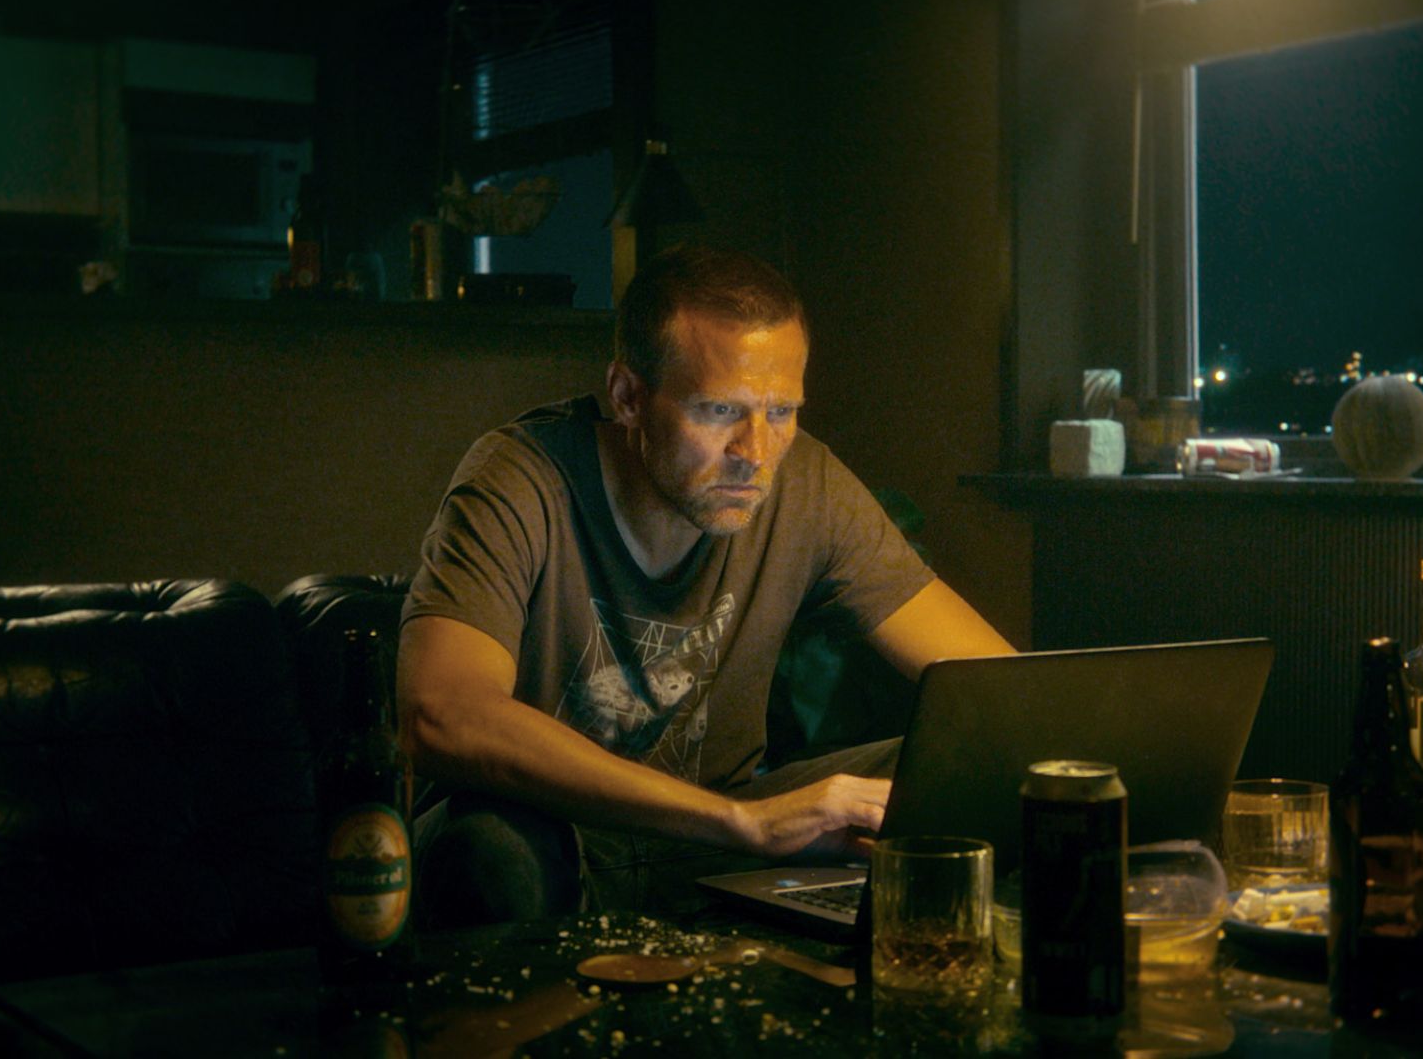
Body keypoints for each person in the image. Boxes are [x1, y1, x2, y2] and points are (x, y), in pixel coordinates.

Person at [398, 244, 1014, 926]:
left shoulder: (805, 484)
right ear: (628, 397)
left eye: (782, 412)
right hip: (554, 839)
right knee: (489, 848)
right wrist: (742, 822)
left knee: (982, 768)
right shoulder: (523, 478)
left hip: (709, 845)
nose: (755, 453)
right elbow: (441, 714)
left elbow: (1001, 691)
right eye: (719, 411)